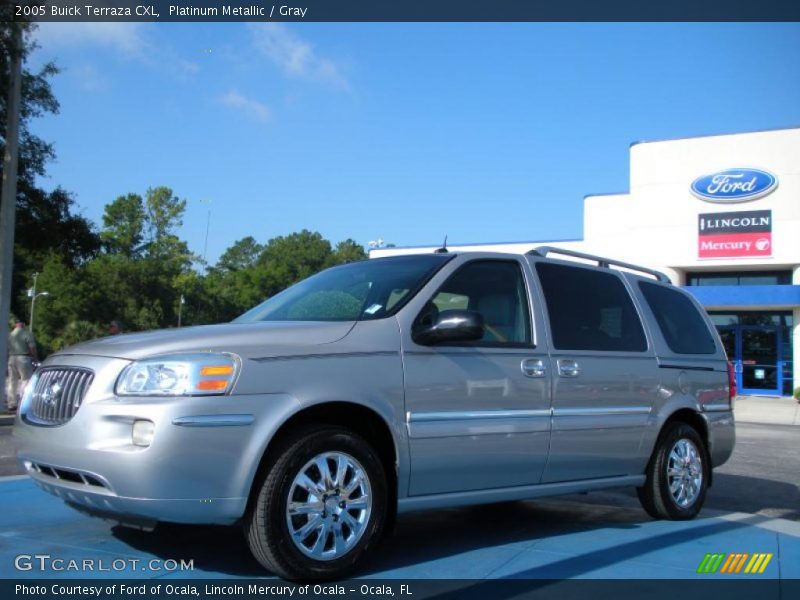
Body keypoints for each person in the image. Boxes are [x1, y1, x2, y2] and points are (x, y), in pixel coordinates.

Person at [7, 319, 38, 413]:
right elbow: (32, 347)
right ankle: (22, 401)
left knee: (12, 381)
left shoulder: (10, 334)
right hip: (23, 358)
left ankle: (11, 404)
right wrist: (35, 357)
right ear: (23, 324)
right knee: (26, 380)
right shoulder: (26, 334)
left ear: (15, 324)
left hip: (12, 358)